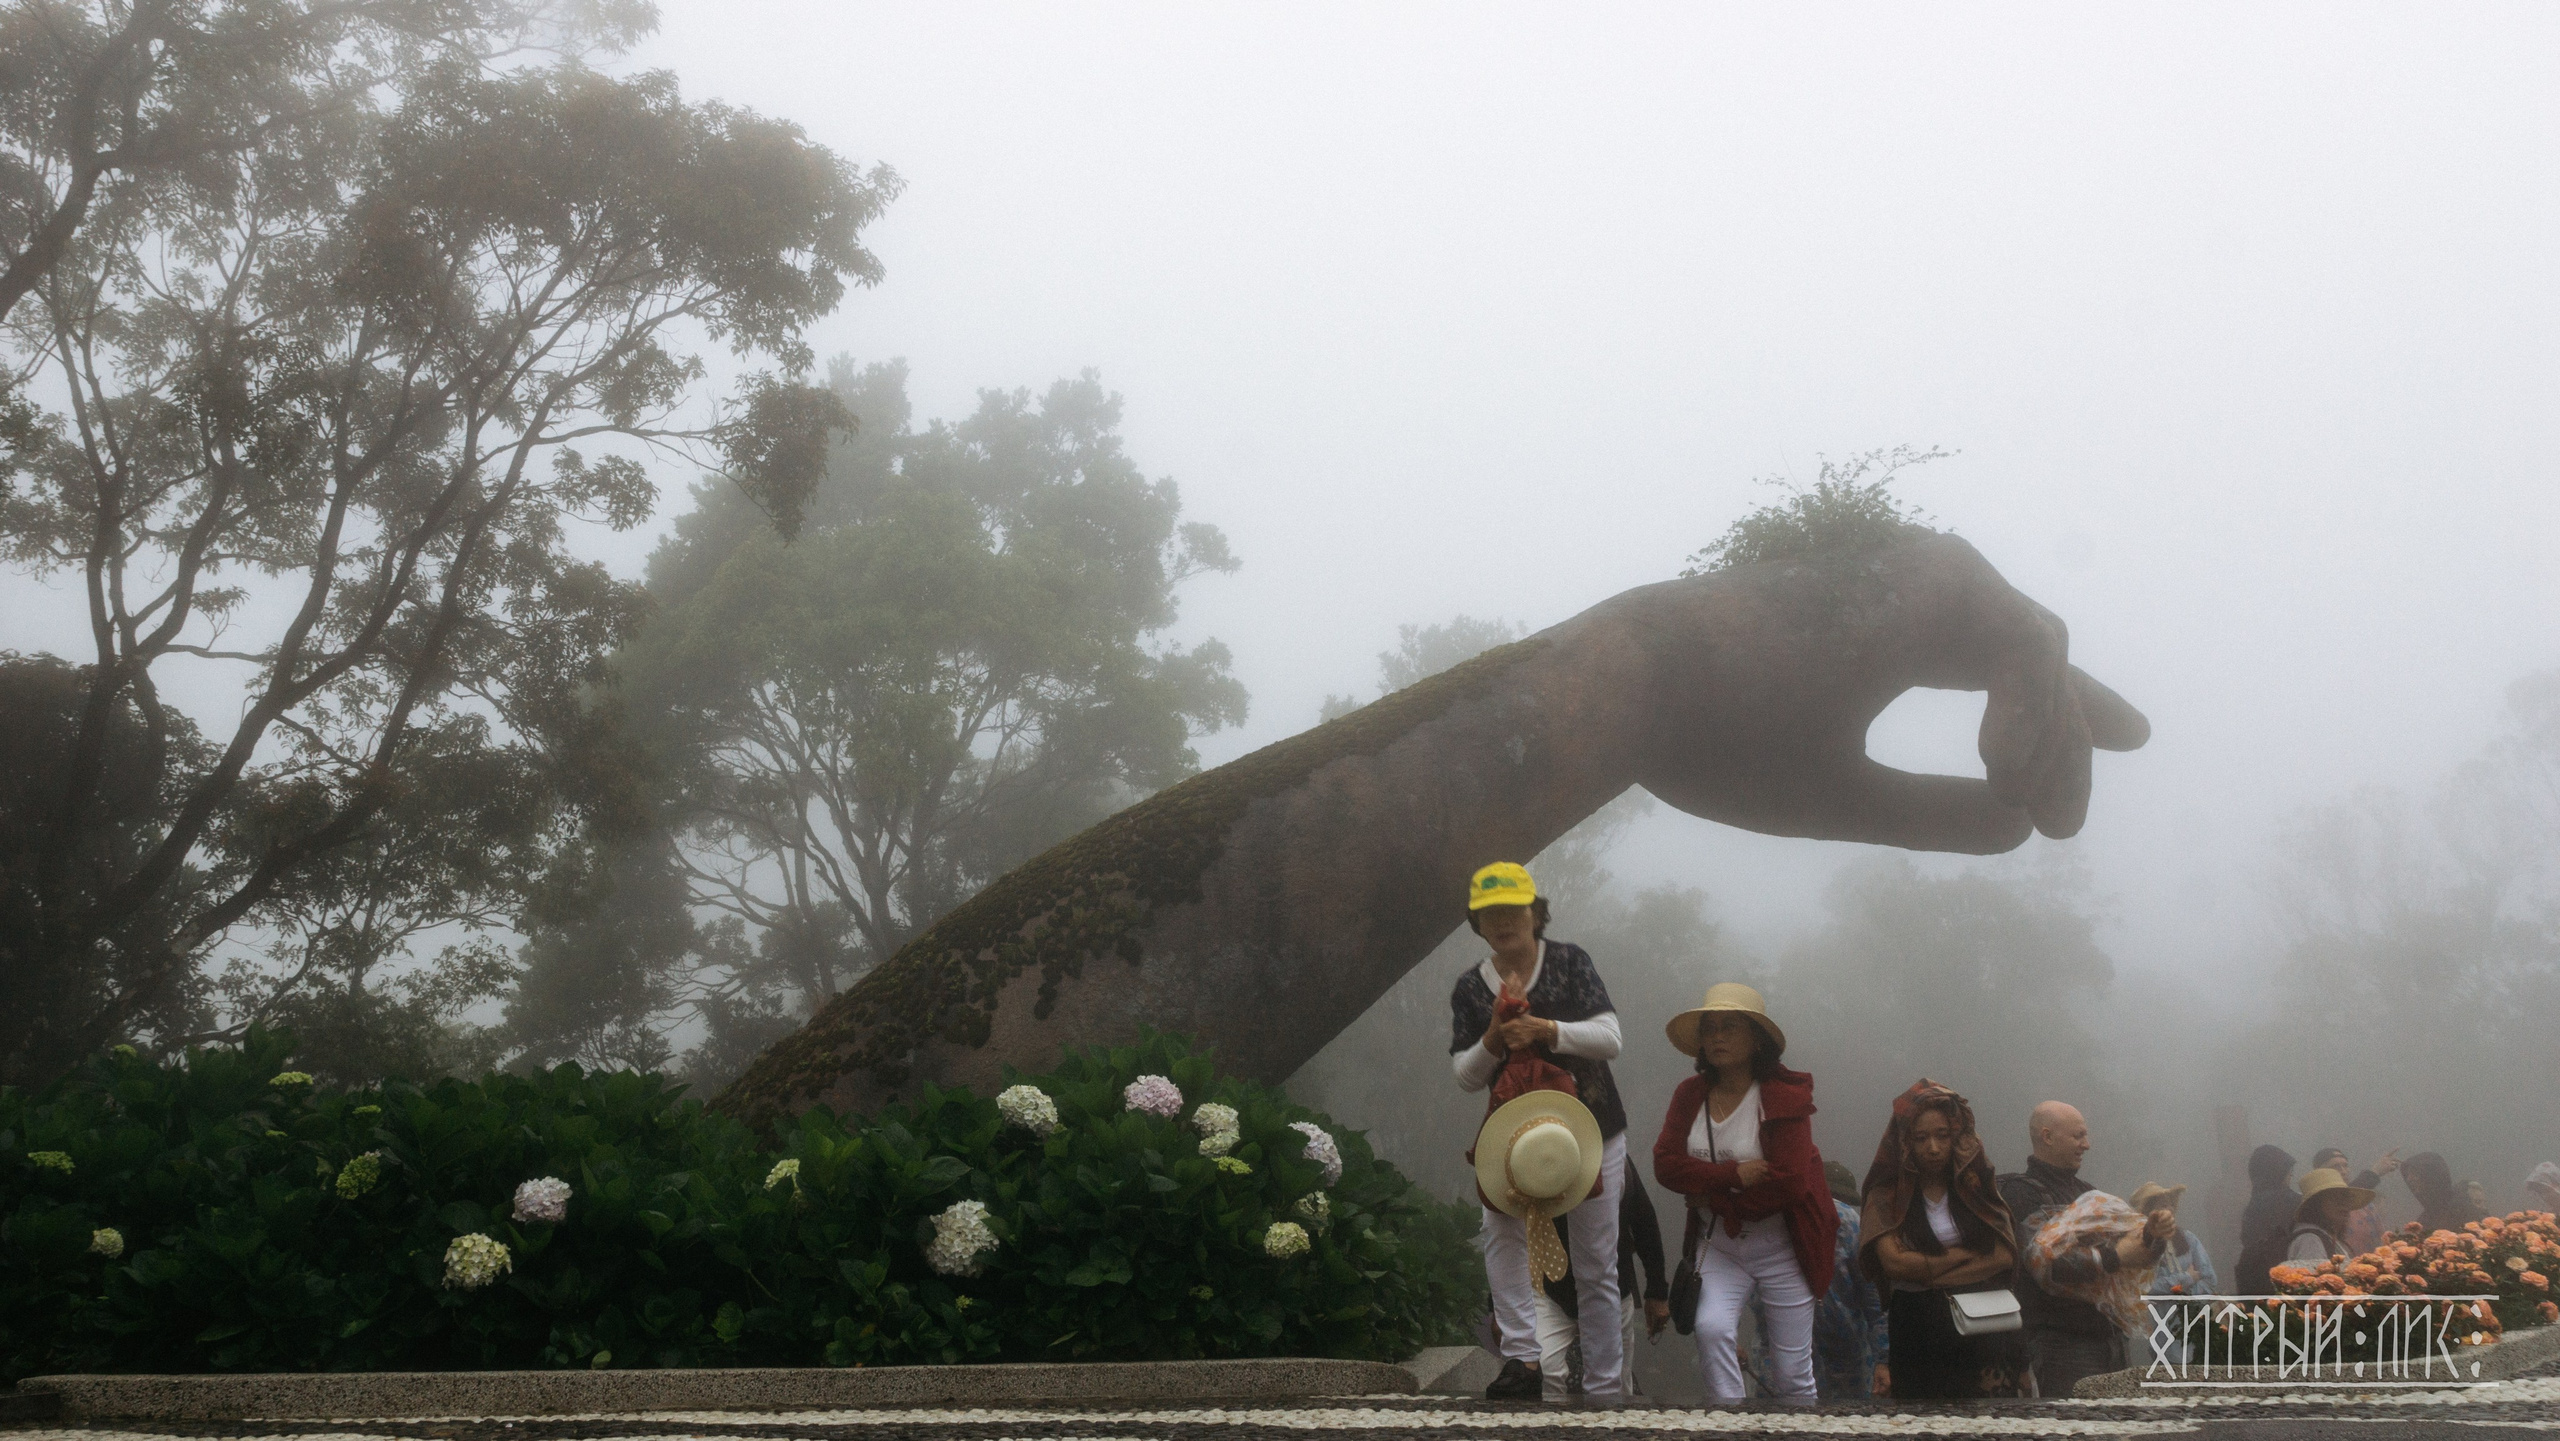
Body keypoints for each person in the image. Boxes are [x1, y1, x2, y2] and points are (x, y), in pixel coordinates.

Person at [1449, 861, 1630, 1404]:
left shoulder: (1570, 962)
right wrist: (1495, 1036)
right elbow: (1465, 1075)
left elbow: (1609, 1037)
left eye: (1513, 909)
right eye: (1490, 913)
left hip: (1592, 1128)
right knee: (1499, 1236)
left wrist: (1547, 1030)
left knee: (1596, 1262)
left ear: (1536, 913)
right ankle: (1522, 1360)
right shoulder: (1469, 987)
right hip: (1512, 1138)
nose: (1503, 921)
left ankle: (1602, 1389)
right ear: (1477, 923)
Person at [1653, 982, 1836, 1405]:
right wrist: (1733, 1173)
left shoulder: (1783, 1097)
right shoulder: (1689, 1095)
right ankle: (1731, 1426)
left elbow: (1790, 1182)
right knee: (1712, 1329)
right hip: (1717, 1246)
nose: (1716, 1037)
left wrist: (1710, 1197)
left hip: (1783, 1246)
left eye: (1729, 1027)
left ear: (1756, 1039)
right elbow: (1665, 1164)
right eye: (1710, 1028)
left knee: (1793, 1374)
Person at [1858, 1080, 2025, 1400]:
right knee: (1923, 1424)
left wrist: (1929, 1273)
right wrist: (1966, 1258)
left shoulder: (1977, 1186)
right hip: (1917, 1330)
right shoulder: (1886, 1195)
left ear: (1956, 1136)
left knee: (1987, 1426)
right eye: (1921, 1138)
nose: (1932, 1147)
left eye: (1942, 1136)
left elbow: (2004, 1255)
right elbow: (1894, 1263)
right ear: (1905, 1141)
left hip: (1984, 1325)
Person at [1998, 1101, 2168, 1399]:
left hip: (2111, 1337)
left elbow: (2135, 1257)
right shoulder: (2020, 1194)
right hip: (2061, 1342)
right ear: (2047, 1136)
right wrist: (2114, 1257)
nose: (2086, 1145)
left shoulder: (2087, 1193)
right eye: (2078, 1136)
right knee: (2075, 1429)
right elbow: (2046, 1265)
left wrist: (2152, 1235)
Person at [1749, 1160, 1891, 1400]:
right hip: (1784, 1355)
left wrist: (1884, 1359)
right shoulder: (1773, 1221)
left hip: (1842, 1360)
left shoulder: (1848, 1226)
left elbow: (1874, 1298)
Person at [1534, 1156, 1672, 1400]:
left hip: (1612, 1289)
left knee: (1614, 1383)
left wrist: (1657, 1291)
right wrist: (1502, 1308)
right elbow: (1510, 1228)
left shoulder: (1614, 1160)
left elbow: (1644, 1223)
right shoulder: (1533, 1158)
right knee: (1544, 1371)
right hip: (1550, 1289)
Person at [2129, 1183, 2216, 1367]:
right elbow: (2146, 1288)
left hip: (2197, 1332)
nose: (2168, 1209)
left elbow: (2208, 1279)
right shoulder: (2139, 1249)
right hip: (2162, 1337)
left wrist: (2187, 1298)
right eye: (2160, 1205)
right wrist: (2187, 1279)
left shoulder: (2189, 1240)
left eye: (2169, 1204)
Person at [2232, 1144, 2298, 1296]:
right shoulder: (2290, 1201)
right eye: (2289, 1172)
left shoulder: (2253, 1205)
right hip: (2287, 1282)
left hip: (2255, 1283)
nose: (2290, 1177)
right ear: (2278, 1172)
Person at [2309, 1148, 2397, 1256]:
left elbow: (2382, 1239)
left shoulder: (2365, 1204)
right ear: (2319, 1172)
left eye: (2345, 1165)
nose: (2343, 1171)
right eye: (2335, 1167)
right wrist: (2375, 1172)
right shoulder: (2316, 1207)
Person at [2287, 1169, 2376, 1265]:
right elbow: (2313, 1277)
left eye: (2346, 1198)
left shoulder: (2329, 1236)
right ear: (2315, 1204)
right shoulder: (2310, 1240)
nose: (2344, 1204)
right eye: (2335, 1198)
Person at [2400, 1152, 2483, 1236]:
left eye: (2414, 1173)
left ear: (2431, 1175)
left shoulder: (2463, 1211)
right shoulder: (2426, 1217)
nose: (2409, 1179)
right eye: (2408, 1174)